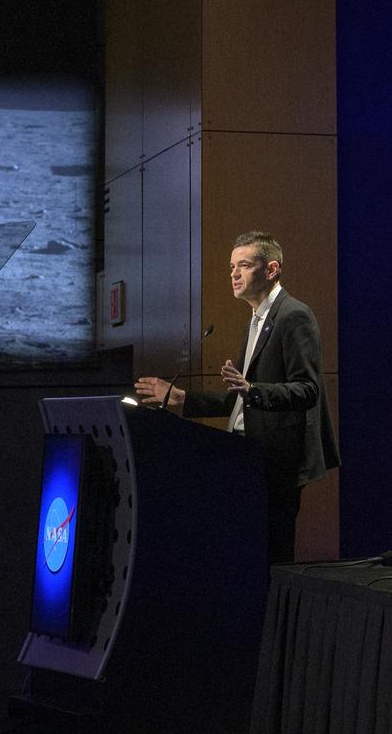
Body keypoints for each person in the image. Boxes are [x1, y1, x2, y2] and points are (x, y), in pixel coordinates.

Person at [134, 231, 339, 562]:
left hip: (277, 460)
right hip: (247, 454)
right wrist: (182, 399)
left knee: (272, 555)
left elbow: (307, 390)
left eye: (243, 265)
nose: (233, 274)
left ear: (271, 270)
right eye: (232, 266)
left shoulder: (293, 316)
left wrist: (253, 390)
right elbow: (241, 399)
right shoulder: (256, 321)